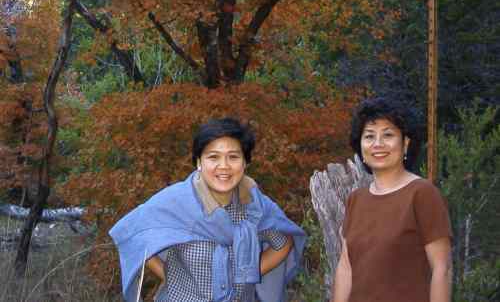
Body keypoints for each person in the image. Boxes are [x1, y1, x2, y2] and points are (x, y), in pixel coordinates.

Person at [110, 117, 306, 302]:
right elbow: (133, 233)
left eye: (233, 157)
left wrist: (250, 273)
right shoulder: (176, 201)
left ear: (245, 162)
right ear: (199, 162)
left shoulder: (254, 205)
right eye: (213, 157)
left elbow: (283, 242)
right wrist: (170, 276)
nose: (224, 166)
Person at [332, 97, 452, 302]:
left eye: (388, 135)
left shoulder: (422, 193)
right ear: (360, 145)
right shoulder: (356, 199)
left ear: (405, 143)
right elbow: (345, 268)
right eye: (369, 136)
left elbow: (442, 269)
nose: (378, 144)